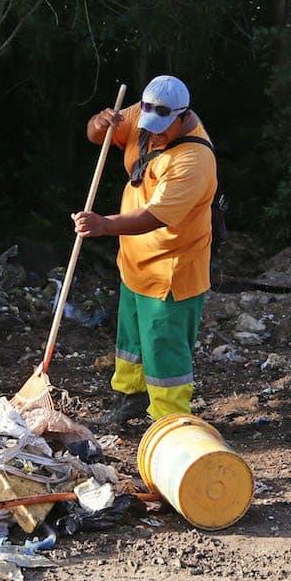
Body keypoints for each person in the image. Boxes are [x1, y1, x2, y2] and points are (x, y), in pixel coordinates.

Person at [73, 75, 217, 424]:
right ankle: (129, 396)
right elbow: (96, 136)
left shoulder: (193, 161)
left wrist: (104, 225)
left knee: (164, 347)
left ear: (184, 116)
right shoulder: (146, 113)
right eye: (150, 126)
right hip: (135, 261)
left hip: (171, 270)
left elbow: (155, 216)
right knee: (132, 340)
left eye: (163, 129)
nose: (155, 133)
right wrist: (100, 122)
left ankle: (171, 422)